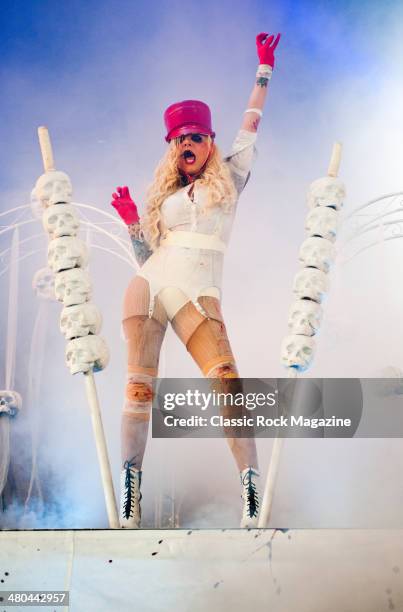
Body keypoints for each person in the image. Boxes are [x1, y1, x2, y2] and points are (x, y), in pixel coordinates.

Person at [111, 31, 281, 528]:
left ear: (210, 142)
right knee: (139, 390)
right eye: (180, 138)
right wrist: (130, 222)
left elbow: (251, 126)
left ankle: (250, 491)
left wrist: (263, 72)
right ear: (172, 147)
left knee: (228, 383)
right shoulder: (164, 199)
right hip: (148, 287)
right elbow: (147, 255)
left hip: (198, 295)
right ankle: (131, 494)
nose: (188, 143)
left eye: (197, 136)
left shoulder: (229, 178)